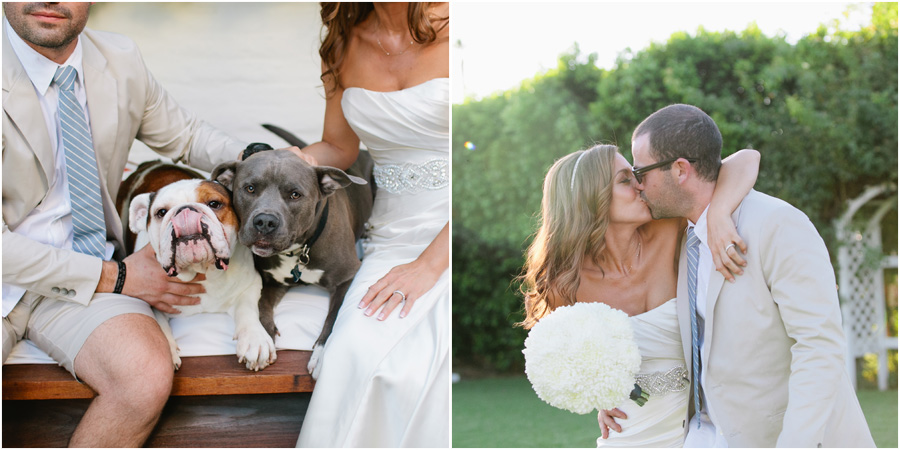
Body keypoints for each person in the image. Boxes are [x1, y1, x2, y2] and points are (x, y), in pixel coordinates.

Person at [2, 3, 246, 446]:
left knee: (144, 377)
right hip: (14, 275)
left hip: (85, 274)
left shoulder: (120, 58)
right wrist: (120, 276)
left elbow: (188, 137)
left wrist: (263, 161)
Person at [619, 103, 874, 447]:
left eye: (641, 172)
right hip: (703, 435)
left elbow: (819, 347)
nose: (638, 185)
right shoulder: (680, 238)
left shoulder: (778, 224)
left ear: (680, 170)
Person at [520, 142, 760, 447]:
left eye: (635, 174)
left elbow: (746, 159)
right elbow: (572, 358)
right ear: (590, 200)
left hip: (705, 428)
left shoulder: (670, 227)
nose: (641, 185)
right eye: (625, 180)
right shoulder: (565, 284)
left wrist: (719, 213)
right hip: (631, 429)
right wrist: (601, 394)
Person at [292, 2, 449, 447]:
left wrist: (429, 267)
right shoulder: (342, 43)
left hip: (454, 236)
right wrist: (295, 161)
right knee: (353, 351)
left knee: (427, 365)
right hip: (391, 240)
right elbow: (338, 148)